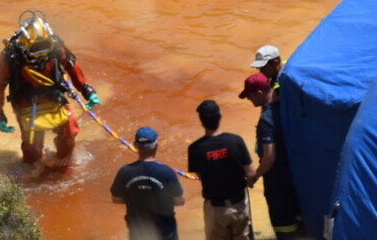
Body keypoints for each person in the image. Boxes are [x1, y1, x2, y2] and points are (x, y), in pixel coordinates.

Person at [0, 10, 100, 165]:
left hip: (55, 99)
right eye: (36, 49)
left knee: (70, 131)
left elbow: (72, 66)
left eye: (44, 46)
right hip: (26, 103)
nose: (41, 55)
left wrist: (88, 91)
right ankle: (31, 169)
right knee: (32, 148)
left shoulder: (56, 47)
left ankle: (64, 163)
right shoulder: (11, 57)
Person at [239, 73, 304, 239]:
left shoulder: (266, 120)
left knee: (285, 228)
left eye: (249, 96)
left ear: (259, 93)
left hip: (278, 183)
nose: (249, 100)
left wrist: (254, 176)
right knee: (301, 223)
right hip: (297, 175)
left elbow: (269, 157)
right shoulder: (285, 107)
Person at [188, 99, 255, 240]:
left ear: (201, 121)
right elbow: (251, 173)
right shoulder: (236, 141)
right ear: (220, 115)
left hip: (215, 209)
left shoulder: (195, 149)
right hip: (239, 204)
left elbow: (200, 175)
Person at [111, 126, 185, 240]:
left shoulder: (125, 172)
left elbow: (116, 199)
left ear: (135, 146)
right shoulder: (166, 171)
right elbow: (179, 200)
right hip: (165, 233)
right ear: (156, 146)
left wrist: (137, 197)